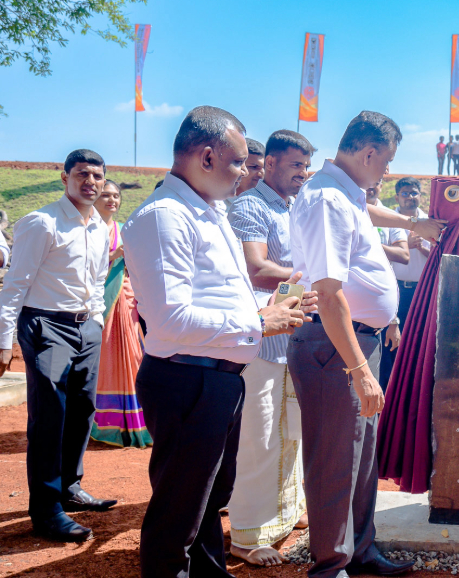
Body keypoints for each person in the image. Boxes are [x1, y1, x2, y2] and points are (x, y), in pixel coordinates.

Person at [123, 106, 311, 577]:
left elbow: (224, 292)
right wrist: (258, 322)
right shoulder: (164, 217)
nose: (244, 173)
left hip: (219, 376)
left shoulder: (207, 210)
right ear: (206, 157)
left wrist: (267, 315)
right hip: (188, 378)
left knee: (209, 499)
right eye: (238, 163)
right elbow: (171, 317)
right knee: (179, 511)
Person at [286, 111, 421, 578]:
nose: (387, 172)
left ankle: (361, 552)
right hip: (333, 349)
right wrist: (359, 369)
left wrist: (387, 315)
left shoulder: (348, 194)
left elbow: (365, 246)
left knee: (362, 458)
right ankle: (331, 566)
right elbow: (328, 292)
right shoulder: (327, 199)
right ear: (369, 153)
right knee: (334, 461)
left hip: (355, 341)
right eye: (387, 162)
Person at [0, 148, 116, 543]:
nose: (91, 182)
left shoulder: (100, 226)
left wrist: (96, 321)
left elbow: (98, 281)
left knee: (83, 409)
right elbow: (15, 285)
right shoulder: (42, 222)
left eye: (97, 177)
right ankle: (47, 509)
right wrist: (3, 341)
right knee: (50, 416)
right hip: (47, 325)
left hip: (86, 329)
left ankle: (70, 486)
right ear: (63, 176)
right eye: (82, 174)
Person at [226, 129, 316, 566]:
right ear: (274, 163)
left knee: (293, 431)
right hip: (261, 339)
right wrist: (313, 279)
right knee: (260, 437)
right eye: (297, 165)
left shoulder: (296, 207)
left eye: (306, 165)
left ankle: (287, 512)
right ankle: (247, 535)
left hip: (295, 335)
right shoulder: (248, 205)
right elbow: (256, 268)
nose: (304, 173)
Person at [89, 179, 151, 449]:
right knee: (104, 363)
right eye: (105, 195)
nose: (112, 200)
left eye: (116, 195)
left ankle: (136, 423)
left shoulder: (123, 230)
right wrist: (113, 255)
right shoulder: (86, 229)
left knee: (134, 358)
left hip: (124, 302)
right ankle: (103, 425)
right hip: (97, 305)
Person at [381, 177, 428, 391]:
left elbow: (441, 258)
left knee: (418, 343)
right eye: (405, 193)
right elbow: (378, 257)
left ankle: (413, 391)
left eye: (414, 193)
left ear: (420, 195)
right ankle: (391, 390)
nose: (410, 197)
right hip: (395, 290)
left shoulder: (430, 221)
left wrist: (423, 249)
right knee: (391, 342)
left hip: (422, 291)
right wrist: (405, 246)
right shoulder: (388, 219)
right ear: (397, 196)